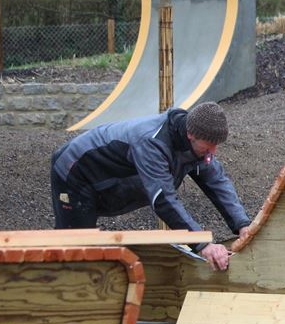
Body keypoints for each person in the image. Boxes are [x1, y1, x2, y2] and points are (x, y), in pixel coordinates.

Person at [50, 101, 250, 271]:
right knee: (76, 251)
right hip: (75, 171)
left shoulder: (198, 146)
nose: (213, 151)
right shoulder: (151, 142)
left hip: (112, 180)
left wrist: (243, 225)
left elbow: (216, 182)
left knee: (85, 254)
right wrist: (202, 244)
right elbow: (163, 199)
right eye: (209, 144)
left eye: (217, 145)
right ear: (191, 135)